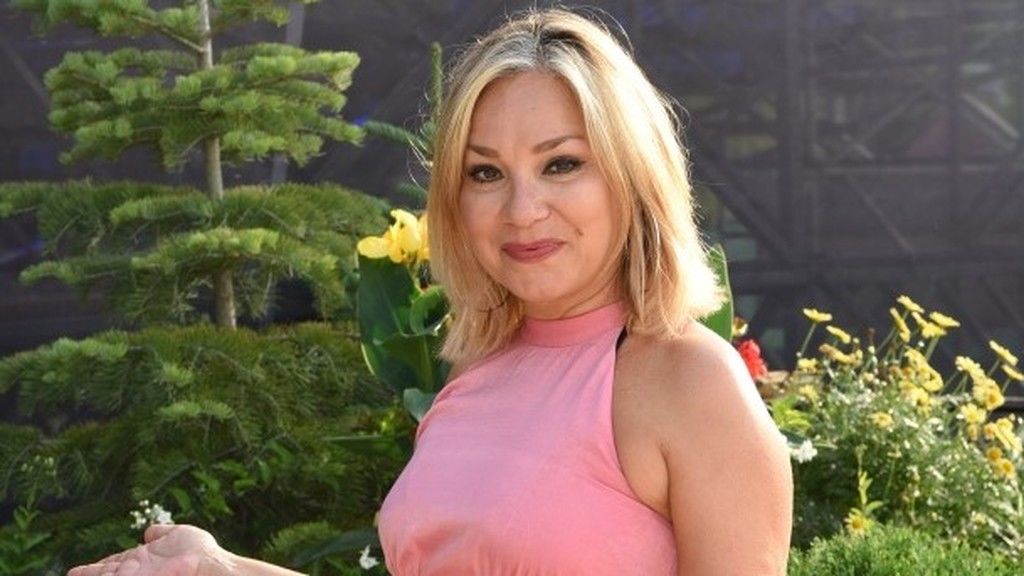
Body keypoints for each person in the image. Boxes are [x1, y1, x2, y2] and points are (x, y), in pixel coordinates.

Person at [68, 7, 792, 576]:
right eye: (485, 173)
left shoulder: (688, 382)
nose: (521, 210)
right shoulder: (477, 371)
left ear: (633, 177)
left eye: (562, 164)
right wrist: (219, 568)